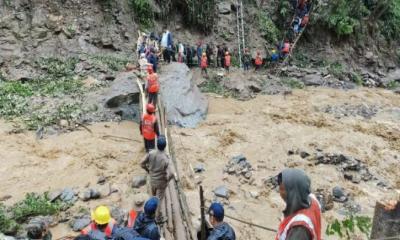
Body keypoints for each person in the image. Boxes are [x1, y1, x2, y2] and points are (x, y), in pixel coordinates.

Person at [275, 169, 321, 240]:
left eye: (282, 189)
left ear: (293, 193)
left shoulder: (299, 229)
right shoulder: (312, 199)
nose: (279, 192)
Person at [140, 135, 176, 221]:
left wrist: (148, 170)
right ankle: (158, 217)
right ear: (165, 146)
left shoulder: (151, 153)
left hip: (152, 180)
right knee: (159, 200)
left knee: (153, 196)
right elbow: (171, 173)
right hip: (161, 183)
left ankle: (150, 211)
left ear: (157, 144)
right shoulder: (166, 159)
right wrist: (167, 179)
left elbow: (141, 163)